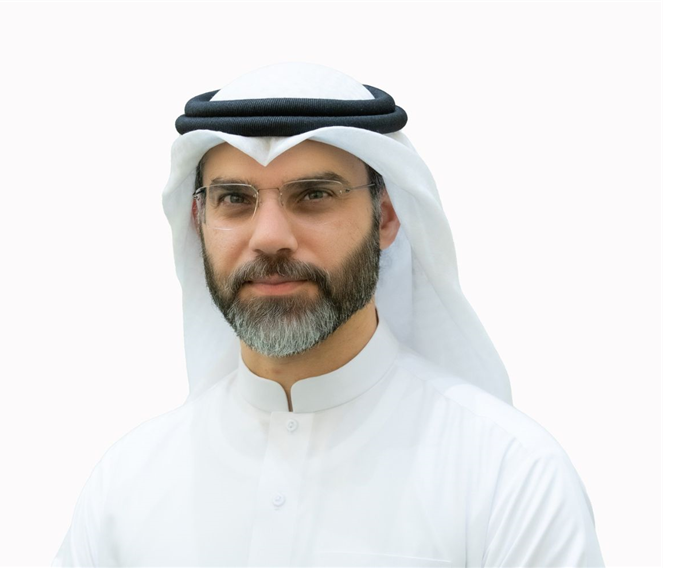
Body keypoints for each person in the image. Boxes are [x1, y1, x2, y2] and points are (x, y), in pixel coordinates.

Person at [53, 63, 604, 567]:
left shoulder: (509, 477)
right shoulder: (126, 486)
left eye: (314, 195)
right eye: (235, 199)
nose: (270, 237)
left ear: (386, 217)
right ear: (199, 221)